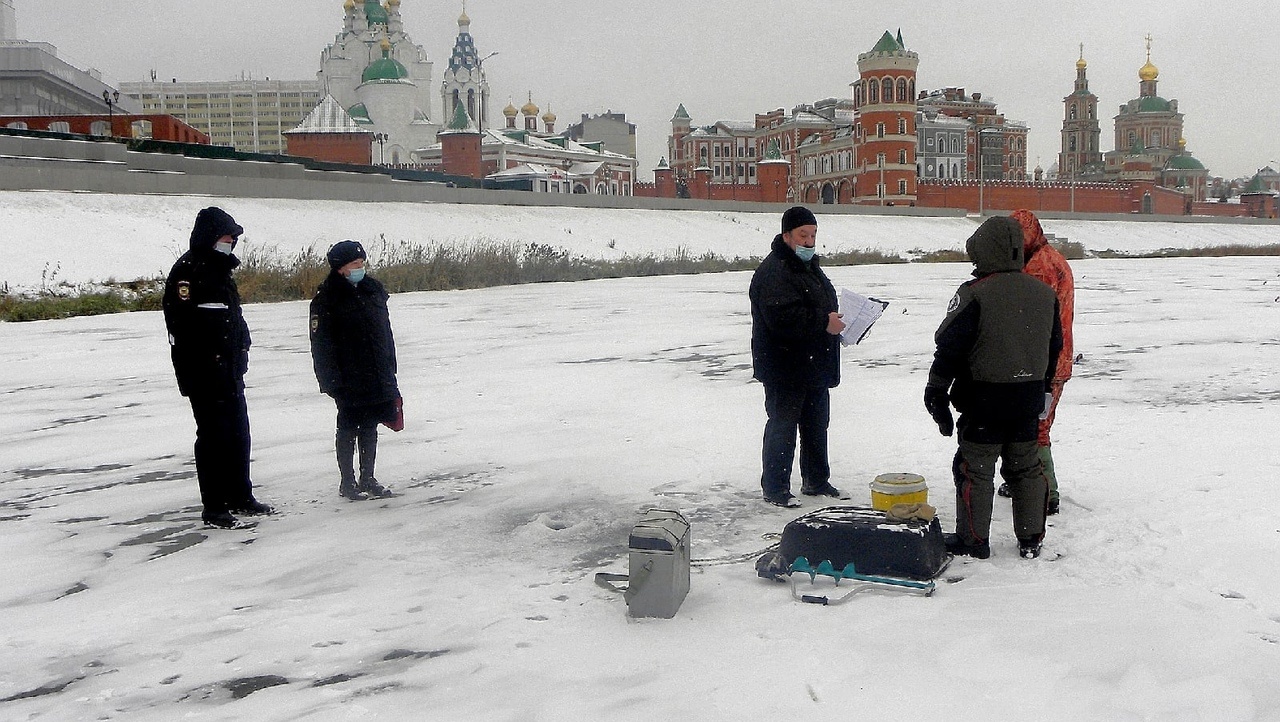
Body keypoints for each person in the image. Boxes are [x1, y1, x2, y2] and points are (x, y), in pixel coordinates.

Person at [923, 215, 1062, 559]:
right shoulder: (1045, 294)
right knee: (1026, 467)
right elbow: (1053, 346)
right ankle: (1031, 538)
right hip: (1028, 398)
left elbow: (950, 348)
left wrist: (936, 391)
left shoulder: (975, 294)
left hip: (984, 399)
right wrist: (1042, 388)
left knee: (975, 469)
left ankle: (974, 540)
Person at [163, 207, 273, 528]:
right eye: (226, 238)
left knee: (239, 433)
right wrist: (205, 361)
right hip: (203, 374)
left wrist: (242, 347)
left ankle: (241, 496)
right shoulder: (187, 272)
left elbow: (233, 318)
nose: (231, 243)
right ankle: (214, 506)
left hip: (230, 371)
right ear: (211, 237)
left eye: (233, 239)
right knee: (213, 437)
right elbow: (182, 327)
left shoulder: (221, 272)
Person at [749, 206, 847, 508]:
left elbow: (823, 304)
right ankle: (776, 488)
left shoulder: (810, 268)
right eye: (803, 235)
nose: (809, 241)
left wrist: (841, 323)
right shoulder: (774, 270)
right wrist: (823, 322)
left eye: (813, 235)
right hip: (785, 366)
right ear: (786, 236)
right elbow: (783, 318)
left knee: (817, 424)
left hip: (814, 362)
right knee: (783, 425)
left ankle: (816, 480)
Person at [996, 209, 1075, 515]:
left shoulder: (1039, 267)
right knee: (1035, 425)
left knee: (1036, 428)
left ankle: (1046, 493)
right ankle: (1024, 482)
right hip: (1056, 360)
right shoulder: (1051, 257)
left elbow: (1026, 314)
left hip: (1046, 363)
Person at [309, 240, 401, 501]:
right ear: (340, 268)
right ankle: (347, 482)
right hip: (347, 377)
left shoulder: (372, 292)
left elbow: (385, 332)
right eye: (354, 264)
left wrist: (389, 364)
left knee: (371, 424)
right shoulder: (326, 300)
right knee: (348, 426)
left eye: (362, 263)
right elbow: (321, 345)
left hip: (375, 372)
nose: (360, 268)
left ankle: (367, 477)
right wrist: (330, 380)